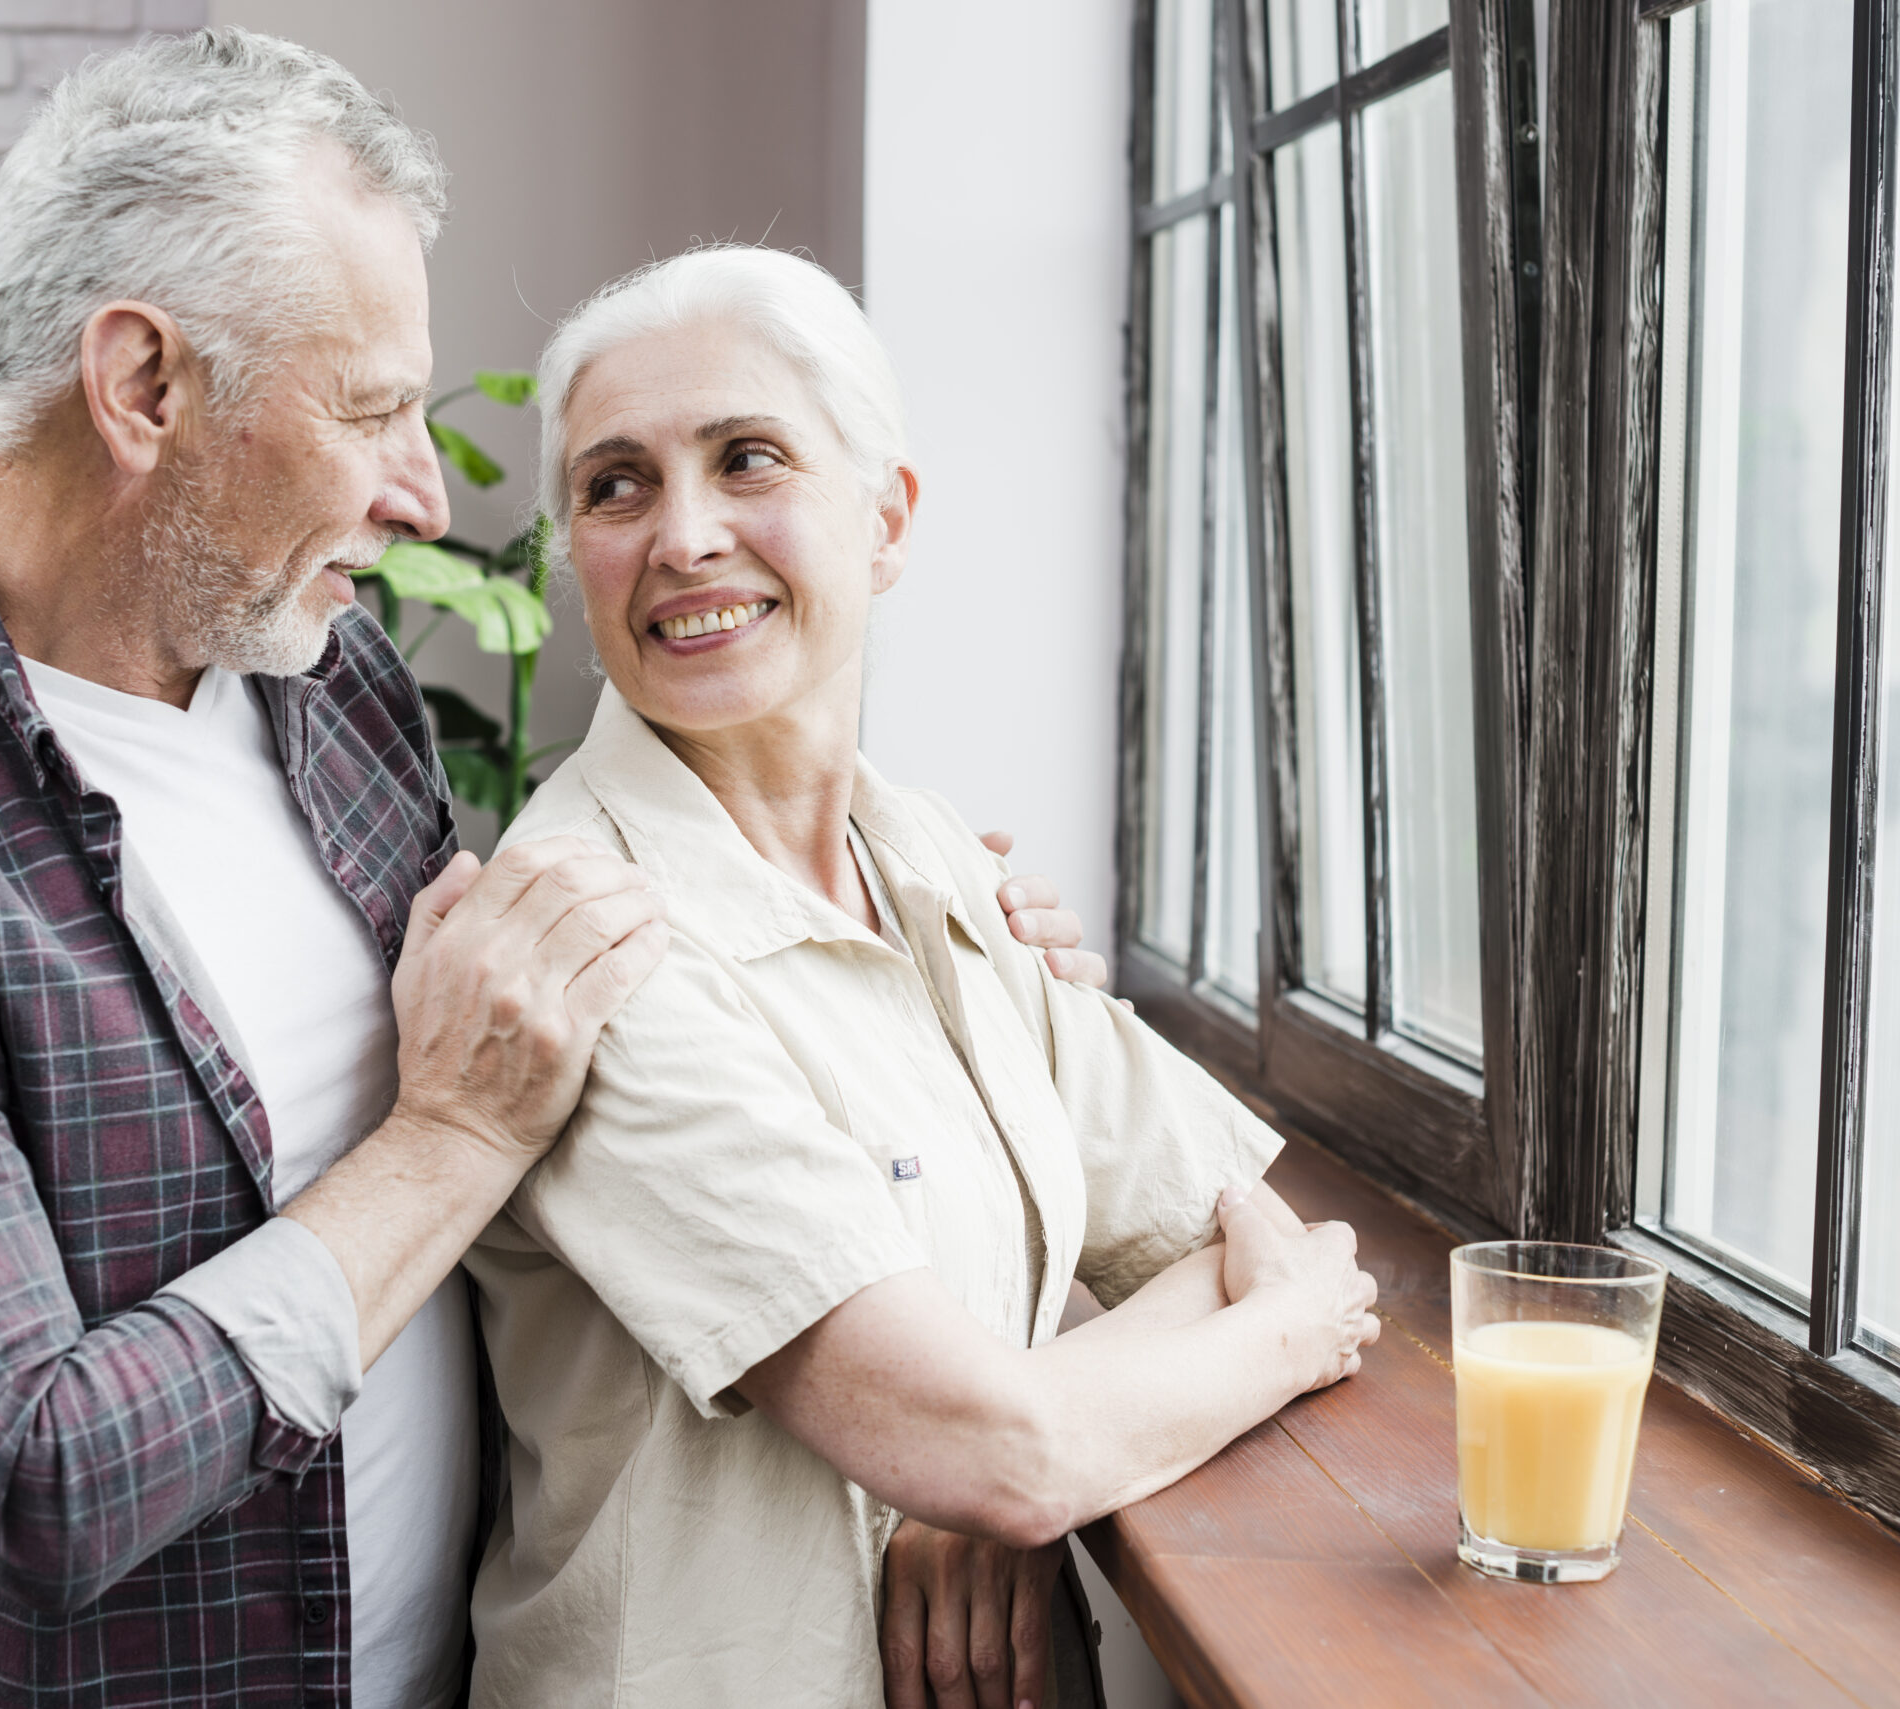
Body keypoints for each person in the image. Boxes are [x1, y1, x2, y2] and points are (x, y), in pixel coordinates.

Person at [0, 33, 1100, 1709]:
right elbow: (38, 1480)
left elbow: (604, 1035)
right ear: (144, 388)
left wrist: (926, 967)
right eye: (371, 409)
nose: (422, 491)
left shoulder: (327, 681)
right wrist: (449, 1139)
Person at [460, 245, 1383, 1709]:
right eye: (615, 484)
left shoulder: (939, 859)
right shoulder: (585, 936)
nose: (683, 533)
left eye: (747, 458)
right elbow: (1021, 1437)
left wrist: (1022, 1446)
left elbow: (1227, 1221)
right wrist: (1245, 1349)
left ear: (886, 518)